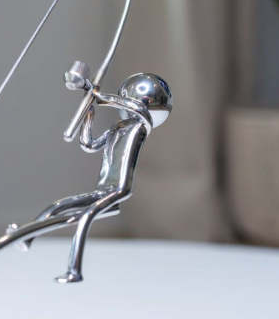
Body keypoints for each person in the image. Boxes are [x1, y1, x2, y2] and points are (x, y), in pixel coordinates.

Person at [30, 73, 172, 283]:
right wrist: (89, 110)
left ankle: (73, 270)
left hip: (119, 188)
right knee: (58, 205)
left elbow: (138, 109)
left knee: (86, 216)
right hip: (103, 187)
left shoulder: (141, 127)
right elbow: (88, 144)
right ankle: (28, 238)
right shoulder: (118, 128)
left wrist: (95, 94)